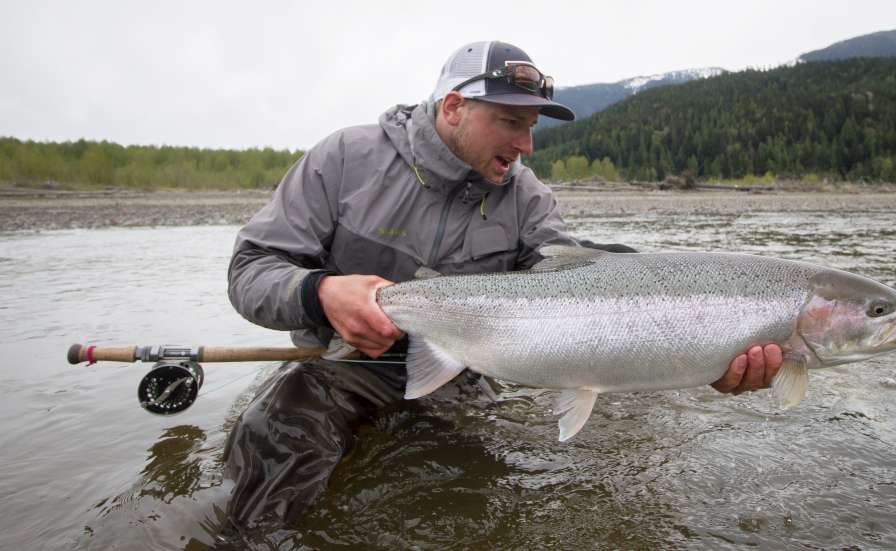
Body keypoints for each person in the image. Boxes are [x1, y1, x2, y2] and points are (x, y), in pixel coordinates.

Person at [222, 41, 782, 534]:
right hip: (338, 363)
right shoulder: (346, 160)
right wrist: (319, 293)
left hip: (462, 378)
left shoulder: (526, 198)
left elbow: (579, 285)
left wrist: (704, 347)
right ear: (453, 107)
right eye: (511, 122)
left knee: (465, 497)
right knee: (272, 440)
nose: (527, 144)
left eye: (533, 125)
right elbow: (250, 270)